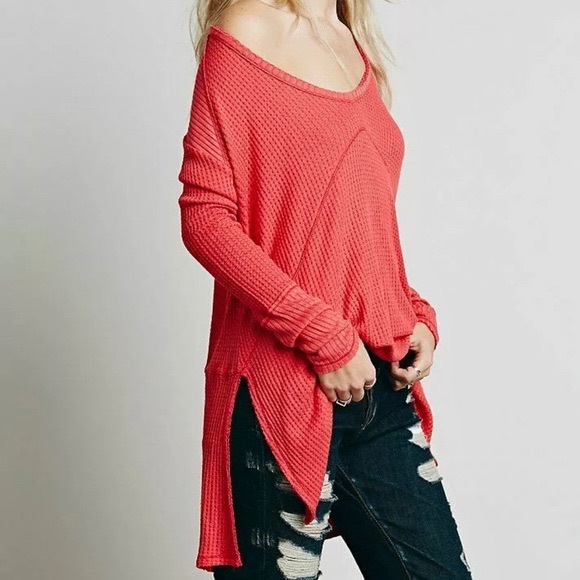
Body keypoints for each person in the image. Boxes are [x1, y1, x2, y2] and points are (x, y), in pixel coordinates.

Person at [177, 1, 473, 578]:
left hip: (378, 385)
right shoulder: (246, 29)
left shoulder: (352, 43)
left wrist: (408, 309)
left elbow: (352, 221)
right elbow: (205, 217)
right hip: (281, 389)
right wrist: (322, 336)